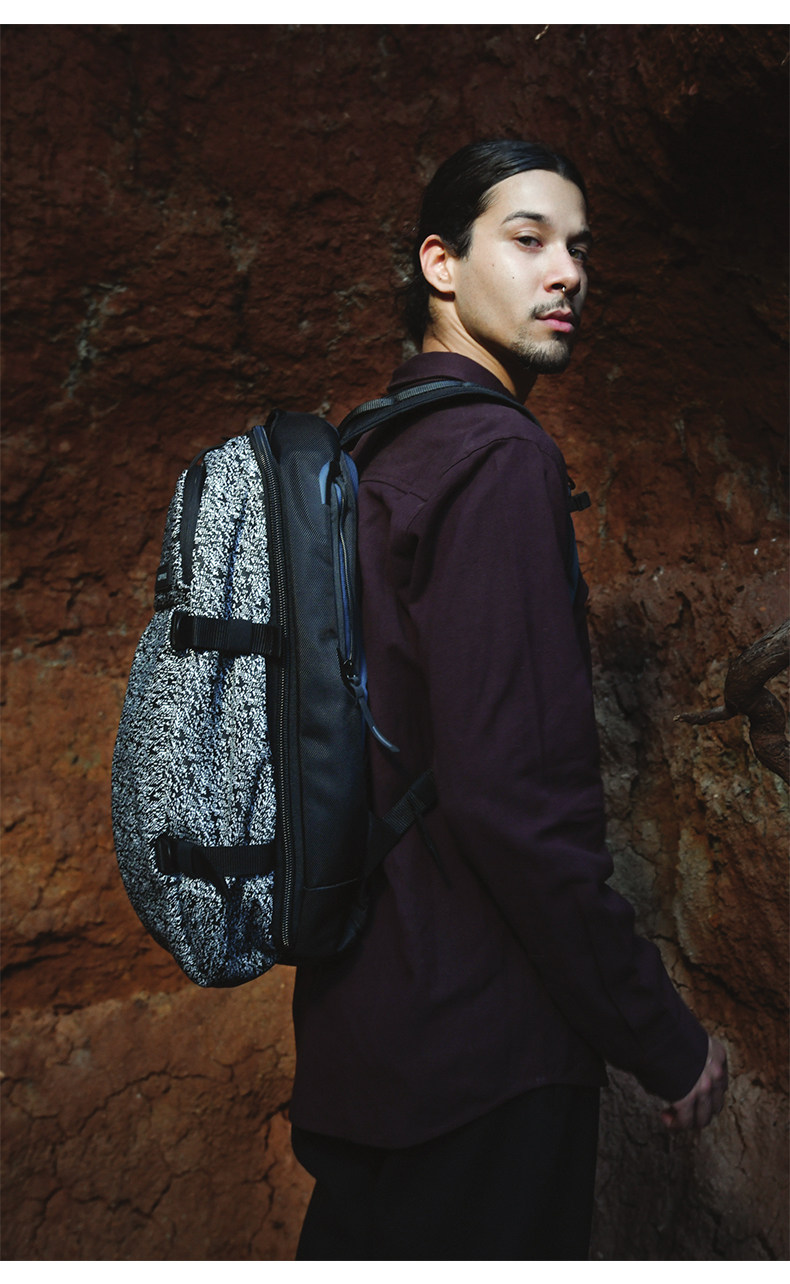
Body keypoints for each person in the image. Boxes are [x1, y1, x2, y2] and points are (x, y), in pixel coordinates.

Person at [288, 139, 728, 1261]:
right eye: (527, 240)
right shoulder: (498, 459)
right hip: (480, 1059)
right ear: (440, 263)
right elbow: (514, 804)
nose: (567, 271)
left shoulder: (365, 453)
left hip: (361, 1037)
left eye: (578, 247)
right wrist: (660, 1036)